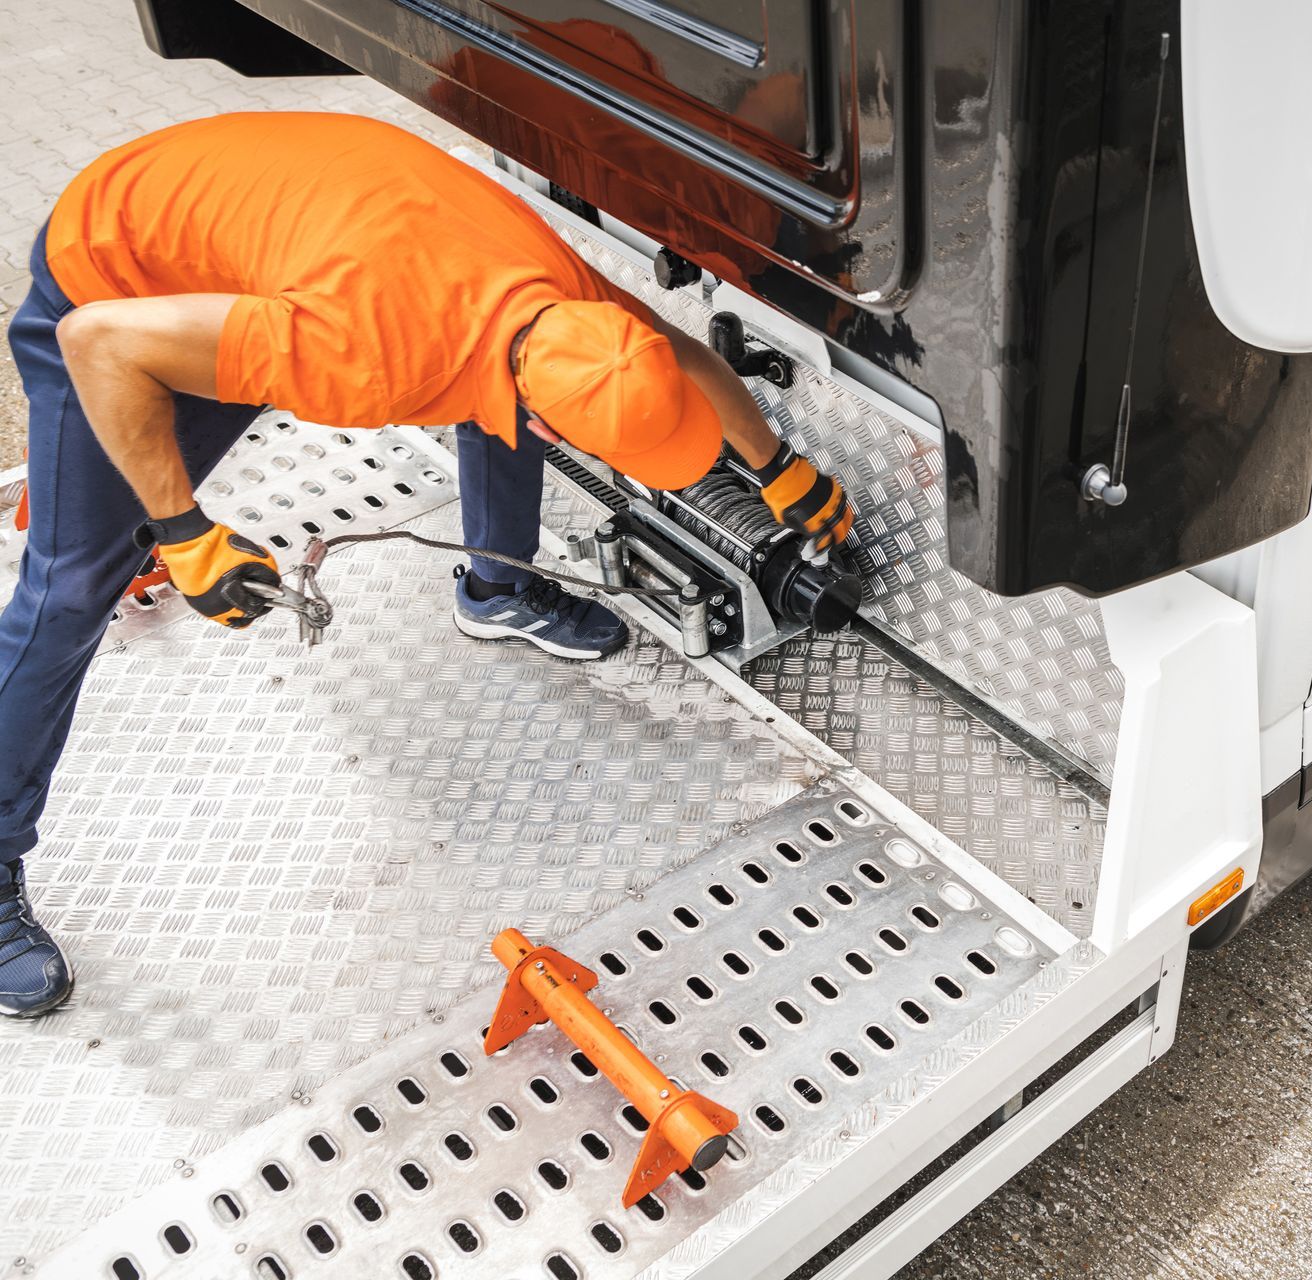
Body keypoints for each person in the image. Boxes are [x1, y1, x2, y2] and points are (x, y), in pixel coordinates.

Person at [0, 112, 856, 1018]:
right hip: (109, 277)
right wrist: (181, 530)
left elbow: (677, 357)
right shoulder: (361, 358)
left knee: (489, 382)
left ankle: (496, 587)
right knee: (71, 586)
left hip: (249, 244)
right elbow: (103, 343)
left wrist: (779, 470)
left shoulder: (568, 308)